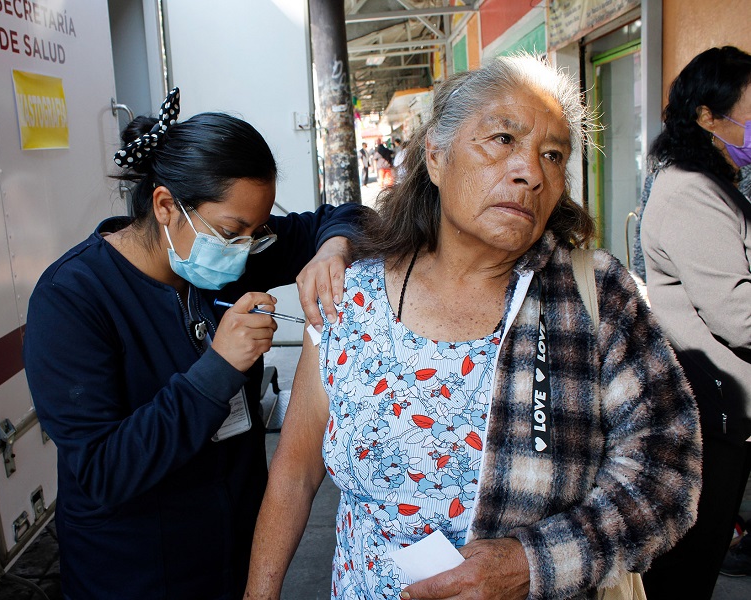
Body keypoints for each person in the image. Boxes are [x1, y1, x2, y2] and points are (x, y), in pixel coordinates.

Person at [244, 55, 702, 600]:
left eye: (552, 155)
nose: (530, 171)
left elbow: (668, 475)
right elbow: (296, 473)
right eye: (503, 139)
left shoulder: (594, 296)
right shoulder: (350, 298)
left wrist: (531, 564)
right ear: (436, 156)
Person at [22, 88, 363, 599]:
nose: (245, 248)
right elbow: (102, 470)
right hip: (133, 576)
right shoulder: (72, 299)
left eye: (258, 233)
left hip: (232, 560)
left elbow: (350, 218)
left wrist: (332, 251)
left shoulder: (230, 257)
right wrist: (218, 368)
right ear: (165, 205)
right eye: (233, 231)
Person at [638, 46, 751, 598]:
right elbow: (739, 315)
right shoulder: (691, 192)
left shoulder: (715, 185)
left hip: (724, 408)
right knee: (688, 569)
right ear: (708, 115)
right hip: (713, 413)